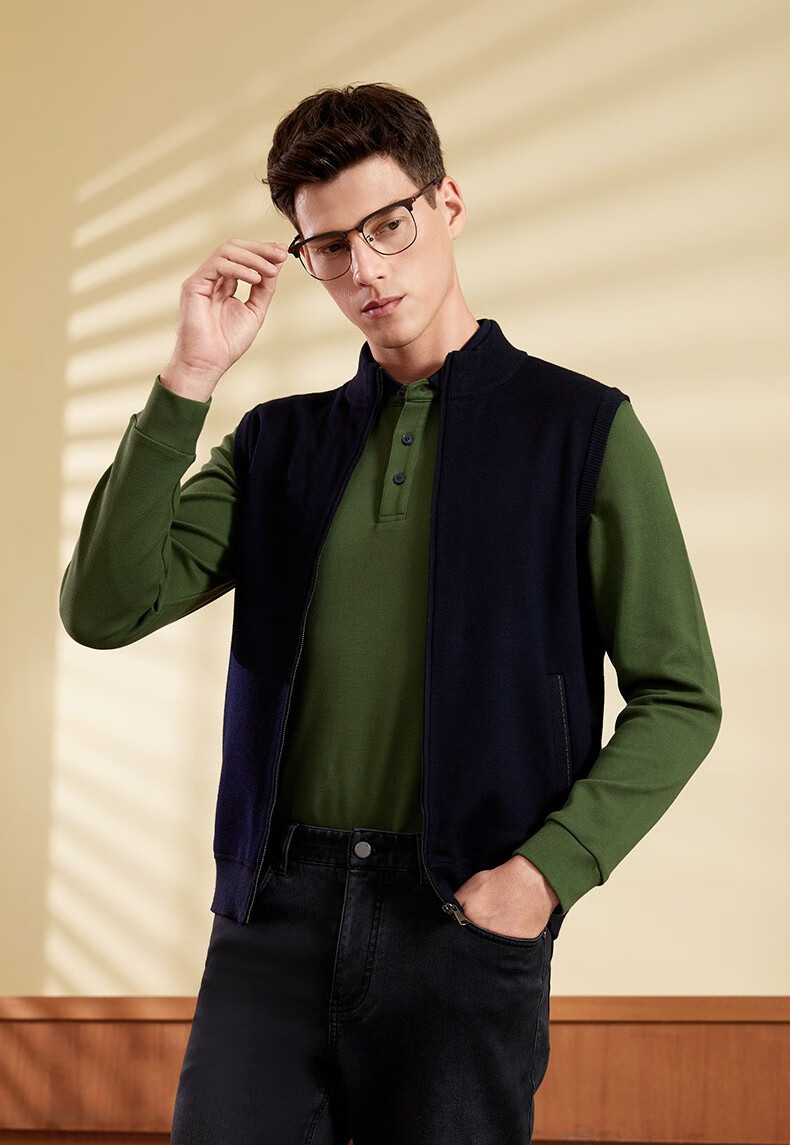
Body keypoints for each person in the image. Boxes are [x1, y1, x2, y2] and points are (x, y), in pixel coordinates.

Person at [59, 82, 722, 1145]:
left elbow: (681, 695)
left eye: (387, 227)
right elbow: (104, 606)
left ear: (446, 203)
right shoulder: (277, 445)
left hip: (462, 915)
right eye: (329, 247)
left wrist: (543, 875)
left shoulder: (581, 430)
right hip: (273, 911)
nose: (365, 269)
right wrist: (188, 376)